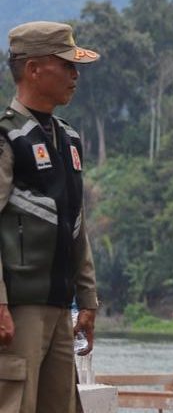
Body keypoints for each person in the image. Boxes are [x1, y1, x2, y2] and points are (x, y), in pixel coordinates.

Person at [0, 22, 100, 413]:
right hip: (19, 309)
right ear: (34, 70)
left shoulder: (68, 139)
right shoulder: (8, 138)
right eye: (67, 65)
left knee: (60, 403)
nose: (75, 75)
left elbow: (76, 225)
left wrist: (88, 300)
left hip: (61, 308)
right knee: (15, 400)